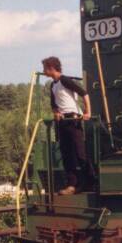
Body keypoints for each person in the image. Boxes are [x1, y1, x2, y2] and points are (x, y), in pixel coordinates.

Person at [41, 56, 95, 195]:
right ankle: (72, 184)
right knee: (66, 154)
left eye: (45, 68)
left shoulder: (65, 80)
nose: (44, 71)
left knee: (80, 153)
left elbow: (84, 94)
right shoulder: (53, 85)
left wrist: (87, 112)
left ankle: (90, 182)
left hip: (73, 119)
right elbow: (54, 105)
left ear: (51, 68)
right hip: (62, 122)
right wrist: (56, 113)